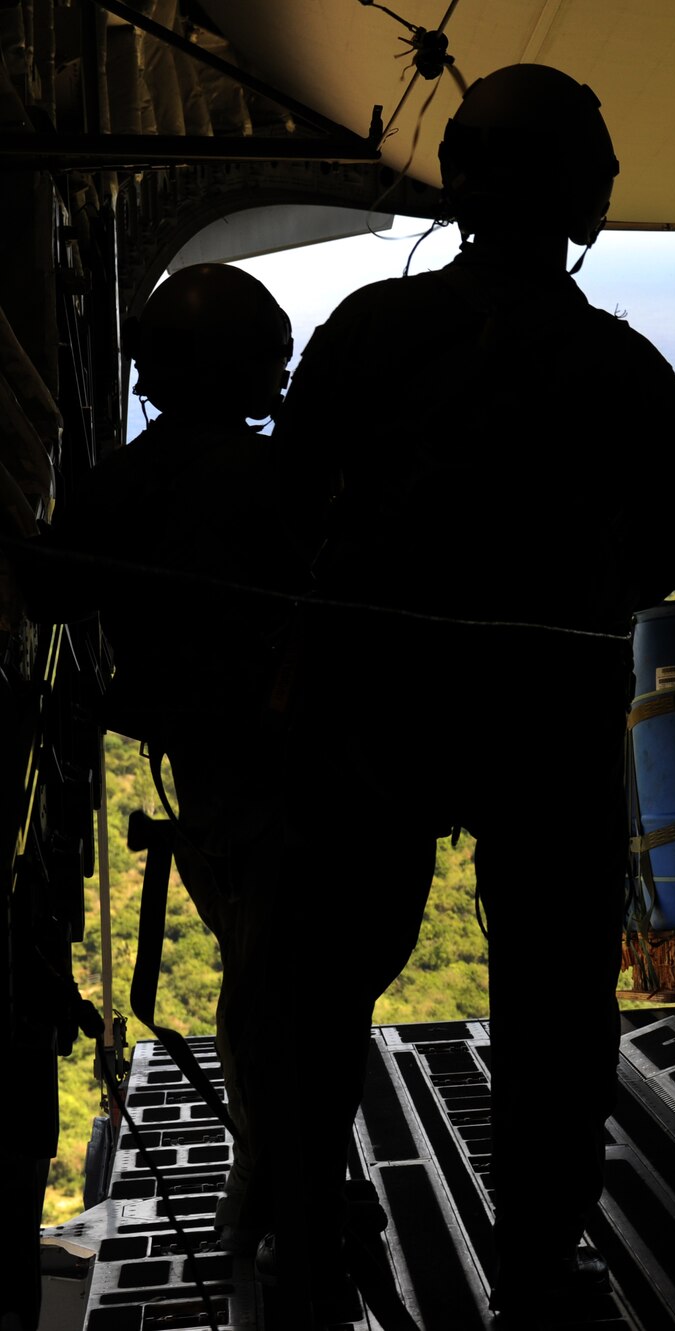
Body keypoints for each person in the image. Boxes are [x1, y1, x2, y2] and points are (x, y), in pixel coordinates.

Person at [275, 62, 675, 1320]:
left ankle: (307, 1230)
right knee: (553, 1001)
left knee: (328, 982)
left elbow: (290, 504)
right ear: (586, 200)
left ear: (462, 180)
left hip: (371, 712)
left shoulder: (366, 329)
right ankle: (532, 1264)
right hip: (549, 715)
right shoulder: (617, 362)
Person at [21, 262, 329, 1256]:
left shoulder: (125, 483)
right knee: (294, 975)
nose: (280, 379)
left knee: (255, 961)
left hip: (204, 766)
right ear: (238, 369)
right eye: (269, 362)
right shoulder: (286, 478)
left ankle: (267, 1186)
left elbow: (52, 596)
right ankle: (283, 1191)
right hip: (300, 764)